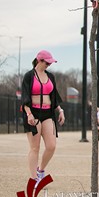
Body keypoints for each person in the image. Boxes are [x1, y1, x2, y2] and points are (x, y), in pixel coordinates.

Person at [21, 50, 65, 186]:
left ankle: (41, 171)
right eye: (47, 62)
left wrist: (60, 110)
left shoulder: (50, 76)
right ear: (39, 60)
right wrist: (29, 113)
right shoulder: (29, 76)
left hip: (48, 114)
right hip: (33, 113)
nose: (49, 65)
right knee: (35, 148)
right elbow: (24, 98)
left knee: (51, 146)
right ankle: (34, 179)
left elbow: (54, 96)